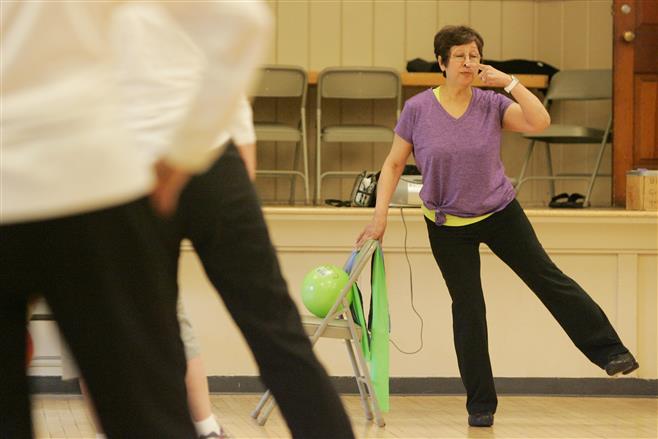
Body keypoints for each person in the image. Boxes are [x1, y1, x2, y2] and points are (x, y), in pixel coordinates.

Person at [60, 4, 355, 438]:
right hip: (206, 156)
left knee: (151, 341)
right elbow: (231, 68)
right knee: (275, 332)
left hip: (142, 165)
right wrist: (241, 166)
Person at [1, 1, 270, 438]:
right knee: (144, 408)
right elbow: (243, 21)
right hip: (93, 186)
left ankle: (205, 423)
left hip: (76, 183)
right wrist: (187, 151)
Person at [356, 25, 639, 428]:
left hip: (499, 211)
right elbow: (393, 164)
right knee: (468, 309)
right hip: (446, 223)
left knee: (547, 278)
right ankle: (480, 405)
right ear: (442, 63)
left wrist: (510, 82)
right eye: (460, 57)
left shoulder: (491, 104)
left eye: (474, 56)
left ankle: (610, 351)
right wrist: (379, 215)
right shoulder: (418, 109)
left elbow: (540, 121)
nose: (469, 63)